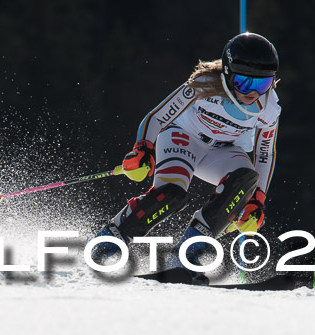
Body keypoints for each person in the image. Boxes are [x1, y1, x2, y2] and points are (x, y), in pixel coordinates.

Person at [93, 32, 281, 283]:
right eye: (244, 84)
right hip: (184, 138)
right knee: (170, 194)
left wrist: (257, 200)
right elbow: (157, 116)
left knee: (246, 180)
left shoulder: (269, 108)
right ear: (226, 74)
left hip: (224, 151)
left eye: (263, 84)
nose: (253, 93)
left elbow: (265, 153)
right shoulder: (204, 85)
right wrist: (143, 148)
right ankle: (110, 240)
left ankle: (188, 254)